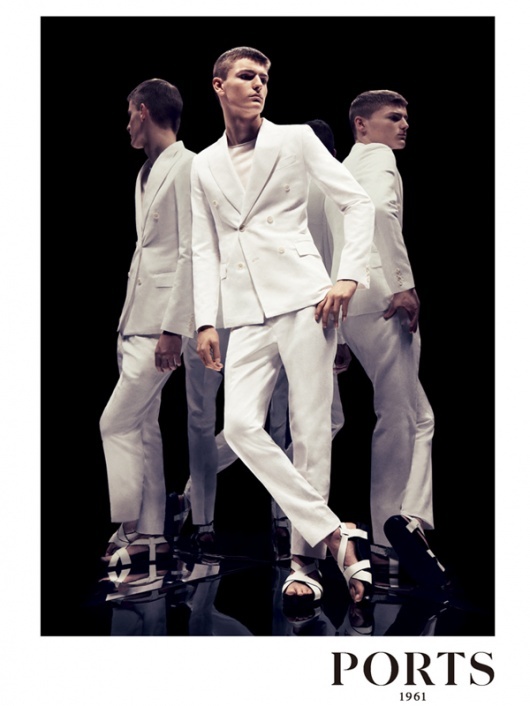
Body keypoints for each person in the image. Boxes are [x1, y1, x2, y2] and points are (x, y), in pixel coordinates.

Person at [190, 46, 376, 607]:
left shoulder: (295, 139)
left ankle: (305, 563)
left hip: (305, 299)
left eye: (264, 78)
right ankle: (336, 533)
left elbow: (357, 203)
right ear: (219, 85)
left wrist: (348, 276)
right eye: (246, 76)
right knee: (241, 428)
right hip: (245, 311)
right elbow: (204, 246)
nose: (258, 85)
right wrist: (205, 320)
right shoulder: (203, 163)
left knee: (309, 430)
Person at [328, 90, 446, 587]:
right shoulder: (377, 157)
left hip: (349, 305)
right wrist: (402, 282)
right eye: (393, 117)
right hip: (382, 298)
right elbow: (380, 211)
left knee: (417, 416)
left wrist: (337, 332)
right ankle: (391, 533)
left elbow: (325, 242)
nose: (404, 125)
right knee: (401, 417)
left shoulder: (338, 170)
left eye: (405, 118)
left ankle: (405, 522)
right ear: (361, 125)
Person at [99, 78, 195, 566]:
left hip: (160, 324)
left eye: (129, 115)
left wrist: (173, 328)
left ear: (142, 110)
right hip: (134, 318)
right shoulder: (144, 172)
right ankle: (153, 534)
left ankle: (129, 524)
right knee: (142, 428)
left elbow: (191, 253)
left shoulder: (188, 166)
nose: (127, 126)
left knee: (114, 422)